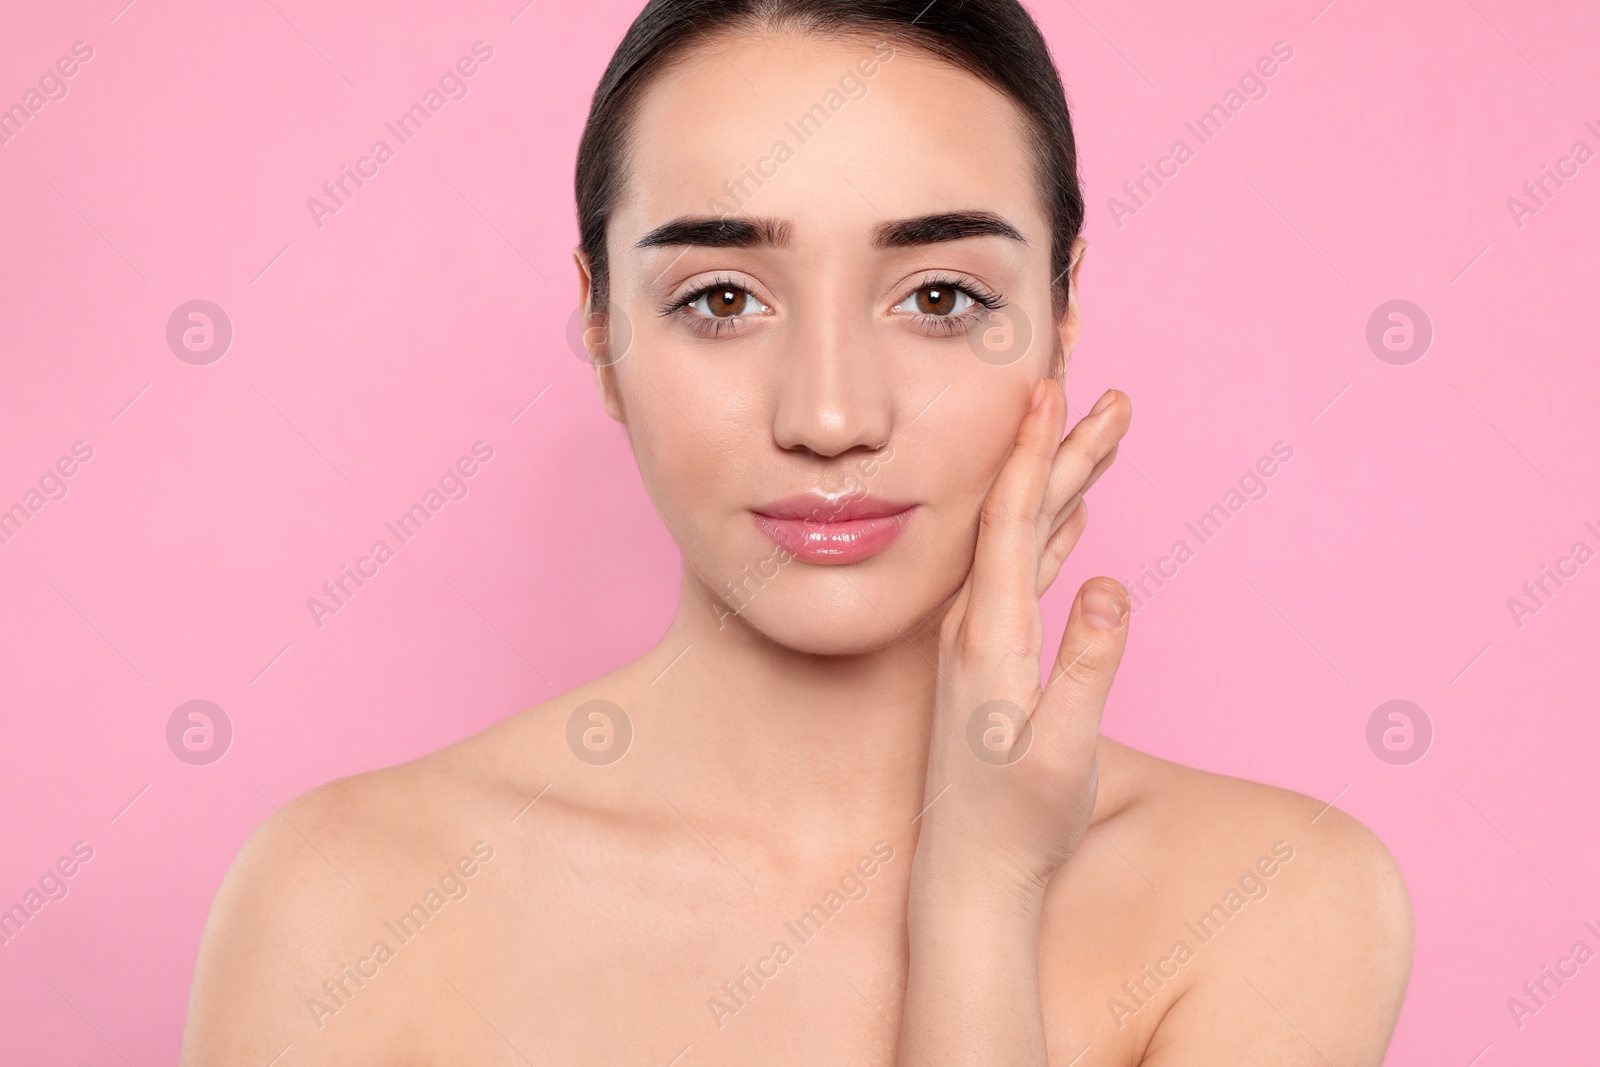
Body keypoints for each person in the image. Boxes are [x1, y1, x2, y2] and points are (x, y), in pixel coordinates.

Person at [182, 1, 1412, 1062]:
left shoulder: (1276, 898)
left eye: (940, 297)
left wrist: (980, 894)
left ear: (1062, 308)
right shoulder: (343, 904)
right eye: (721, 298)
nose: (830, 415)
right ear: (602, 328)